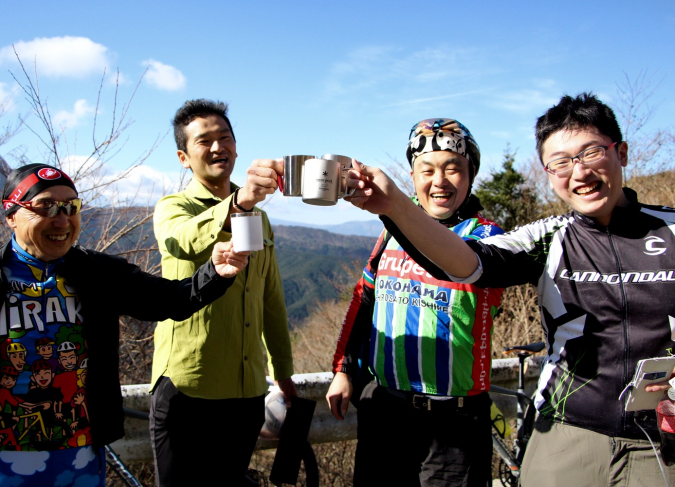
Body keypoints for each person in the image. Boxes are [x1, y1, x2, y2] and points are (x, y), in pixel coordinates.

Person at [343, 93, 675, 487]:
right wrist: (395, 206)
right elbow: (468, 264)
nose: (579, 172)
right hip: (566, 430)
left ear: (620, 152)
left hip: (656, 439)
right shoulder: (548, 237)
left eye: (591, 153)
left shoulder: (670, 231)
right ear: (549, 172)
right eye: (562, 162)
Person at [0, 163, 249, 487]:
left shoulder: (98, 273)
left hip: (79, 460)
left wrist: (215, 273)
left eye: (70, 207)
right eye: (45, 206)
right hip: (2, 460)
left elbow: (170, 300)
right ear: (10, 214)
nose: (62, 220)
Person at [325, 119, 504, 486]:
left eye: (453, 169)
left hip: (455, 422)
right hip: (387, 412)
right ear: (412, 176)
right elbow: (364, 299)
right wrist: (343, 369)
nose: (440, 181)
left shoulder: (488, 236)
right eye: (428, 170)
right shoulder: (390, 234)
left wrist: (398, 213)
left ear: (471, 174)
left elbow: (461, 266)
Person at [150, 99, 296, 486]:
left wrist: (283, 371)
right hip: (188, 387)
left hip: (248, 390)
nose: (218, 147)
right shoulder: (172, 207)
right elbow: (183, 239)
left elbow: (271, 300)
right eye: (204, 141)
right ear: (183, 157)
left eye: (225, 137)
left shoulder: (260, 218)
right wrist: (240, 200)